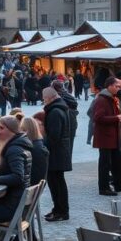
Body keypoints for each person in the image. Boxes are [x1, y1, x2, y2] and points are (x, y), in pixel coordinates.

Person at [92, 76, 121, 196]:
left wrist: (119, 117)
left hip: (114, 137)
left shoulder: (112, 98)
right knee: (105, 163)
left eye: (119, 86)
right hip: (105, 138)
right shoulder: (102, 100)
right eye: (116, 86)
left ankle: (119, 184)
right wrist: (116, 118)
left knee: (118, 161)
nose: (118, 88)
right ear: (109, 86)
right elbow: (98, 118)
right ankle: (104, 188)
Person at [42, 86, 73, 221]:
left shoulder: (55, 111)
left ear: (50, 98)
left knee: (56, 183)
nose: (43, 102)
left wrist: (43, 146)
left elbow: (54, 136)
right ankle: (58, 209)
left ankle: (61, 212)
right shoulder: (59, 108)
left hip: (56, 154)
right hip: (59, 152)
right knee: (57, 182)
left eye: (44, 99)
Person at [21, 117, 48, 185]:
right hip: (36, 186)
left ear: (26, 131)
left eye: (22, 130)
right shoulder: (39, 144)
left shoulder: (31, 148)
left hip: (29, 186)